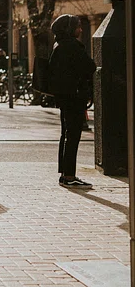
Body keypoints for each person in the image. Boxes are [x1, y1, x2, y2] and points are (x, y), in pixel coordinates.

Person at [48, 14, 96, 189]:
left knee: (66, 134)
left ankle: (64, 174)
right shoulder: (72, 46)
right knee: (73, 135)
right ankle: (69, 176)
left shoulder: (58, 45)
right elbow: (89, 67)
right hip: (74, 97)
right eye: (77, 26)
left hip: (64, 97)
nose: (80, 30)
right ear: (69, 29)